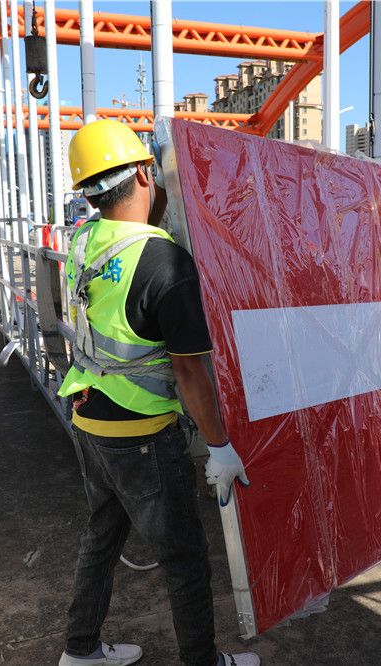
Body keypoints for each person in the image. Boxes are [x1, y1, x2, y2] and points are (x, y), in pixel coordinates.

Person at [56, 119, 259, 666]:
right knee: (184, 558)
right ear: (146, 175)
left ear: (89, 193)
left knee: (102, 537)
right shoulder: (166, 263)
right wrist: (219, 447)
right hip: (142, 432)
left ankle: (80, 650)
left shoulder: (83, 242)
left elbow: (130, 249)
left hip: (90, 417)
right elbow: (190, 372)